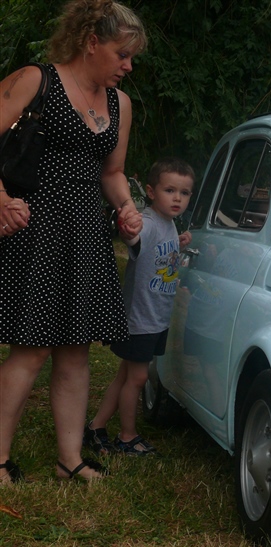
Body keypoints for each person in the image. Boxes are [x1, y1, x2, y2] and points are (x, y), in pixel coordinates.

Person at [0, 0, 147, 484]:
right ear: (92, 42)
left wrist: (125, 207)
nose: (128, 66)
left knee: (76, 349)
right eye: (122, 54)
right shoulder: (34, 80)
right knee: (32, 349)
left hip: (86, 234)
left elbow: (113, 171)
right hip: (34, 229)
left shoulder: (120, 105)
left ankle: (69, 460)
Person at [84, 158, 194, 456]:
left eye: (184, 193)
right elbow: (135, 238)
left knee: (125, 375)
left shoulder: (168, 224)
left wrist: (179, 244)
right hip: (139, 318)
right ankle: (127, 436)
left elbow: (158, 257)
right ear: (150, 191)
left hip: (155, 318)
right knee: (137, 378)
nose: (177, 198)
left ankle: (96, 426)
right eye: (170, 190)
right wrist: (127, 228)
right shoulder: (146, 221)